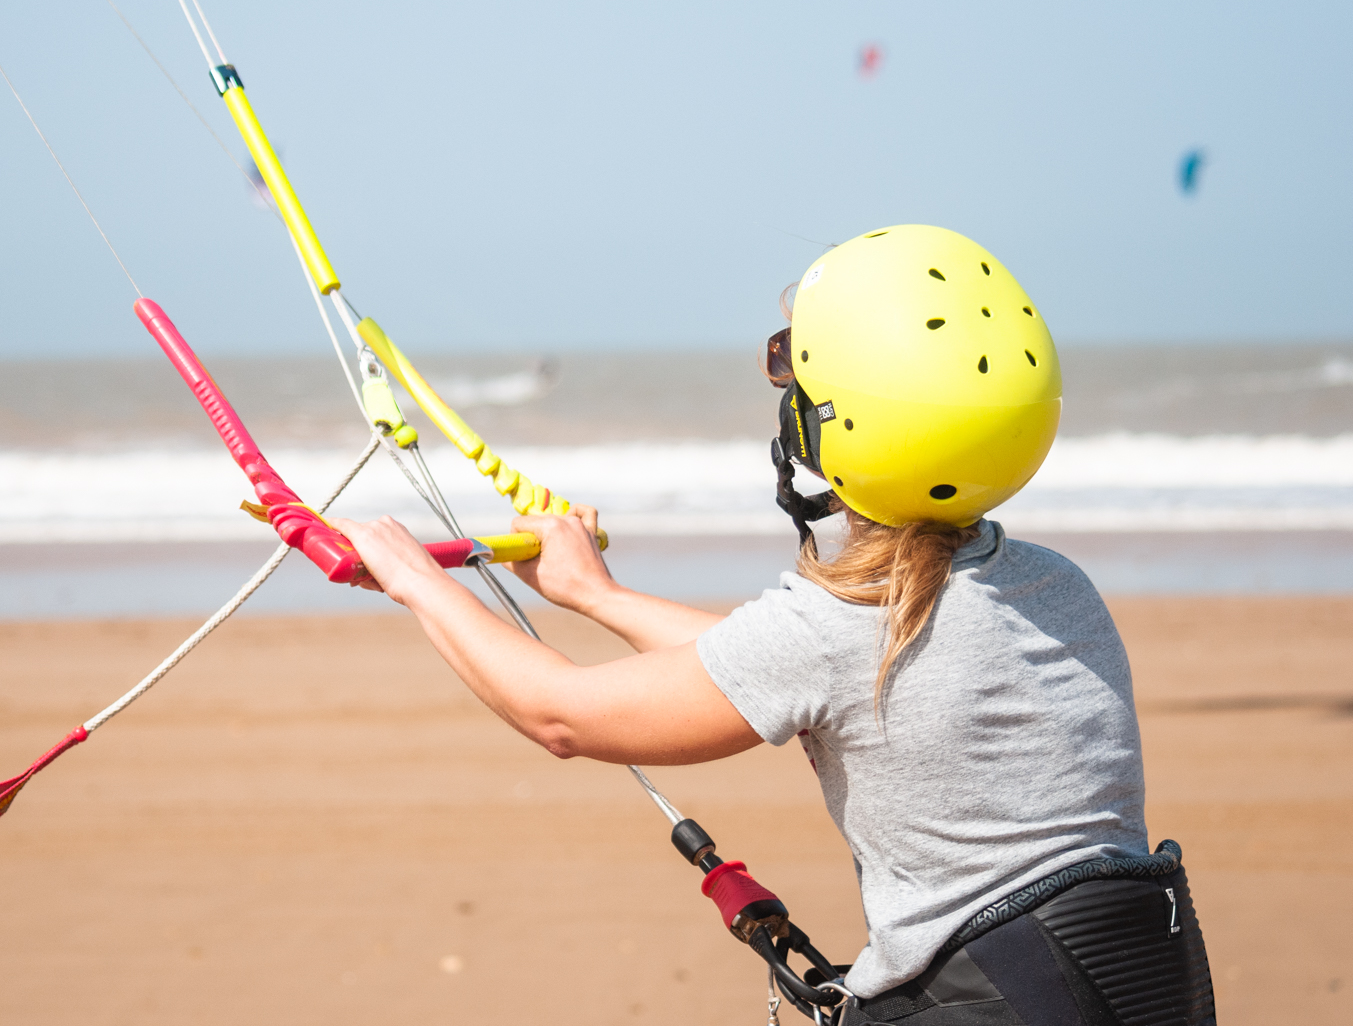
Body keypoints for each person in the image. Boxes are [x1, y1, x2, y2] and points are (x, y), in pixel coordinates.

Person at [336, 226, 1214, 1025]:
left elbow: (560, 713)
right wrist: (594, 595)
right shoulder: (1060, 589)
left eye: (790, 369)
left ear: (830, 428)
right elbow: (763, 662)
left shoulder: (836, 630)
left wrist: (416, 579)